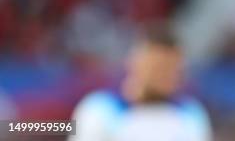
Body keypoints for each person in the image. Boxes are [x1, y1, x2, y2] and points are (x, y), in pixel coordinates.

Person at [69, 23, 212, 141]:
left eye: (173, 69)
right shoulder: (100, 110)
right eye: (158, 67)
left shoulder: (192, 115)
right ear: (134, 62)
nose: (166, 76)